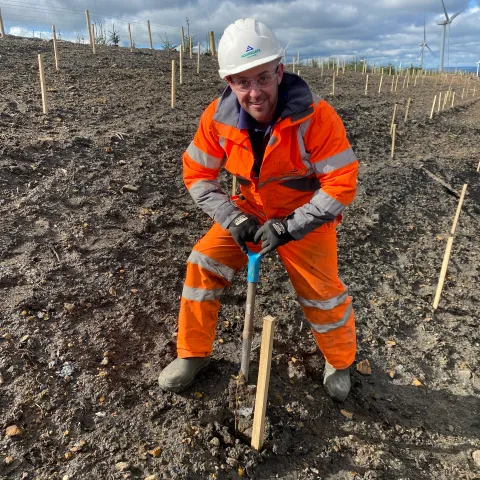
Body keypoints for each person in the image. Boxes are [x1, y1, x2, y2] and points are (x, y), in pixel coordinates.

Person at [158, 18, 358, 401]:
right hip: (249, 209)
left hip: (305, 215)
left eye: (263, 77)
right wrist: (231, 217)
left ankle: (340, 360)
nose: (255, 92)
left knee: (323, 292)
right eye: (243, 81)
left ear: (279, 71)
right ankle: (193, 353)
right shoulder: (217, 119)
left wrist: (289, 227)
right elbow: (198, 174)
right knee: (202, 262)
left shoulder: (317, 117)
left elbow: (341, 184)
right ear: (229, 82)